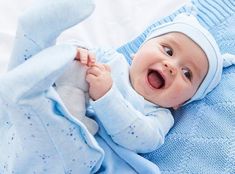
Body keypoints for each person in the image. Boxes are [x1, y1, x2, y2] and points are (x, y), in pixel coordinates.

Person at [54, 11, 223, 153]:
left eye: (187, 73)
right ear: (138, 52)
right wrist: (74, 52)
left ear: (183, 102)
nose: (171, 66)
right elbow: (66, 58)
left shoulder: (159, 116)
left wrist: (107, 97)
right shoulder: (110, 60)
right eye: (168, 50)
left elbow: (142, 140)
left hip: (80, 154)